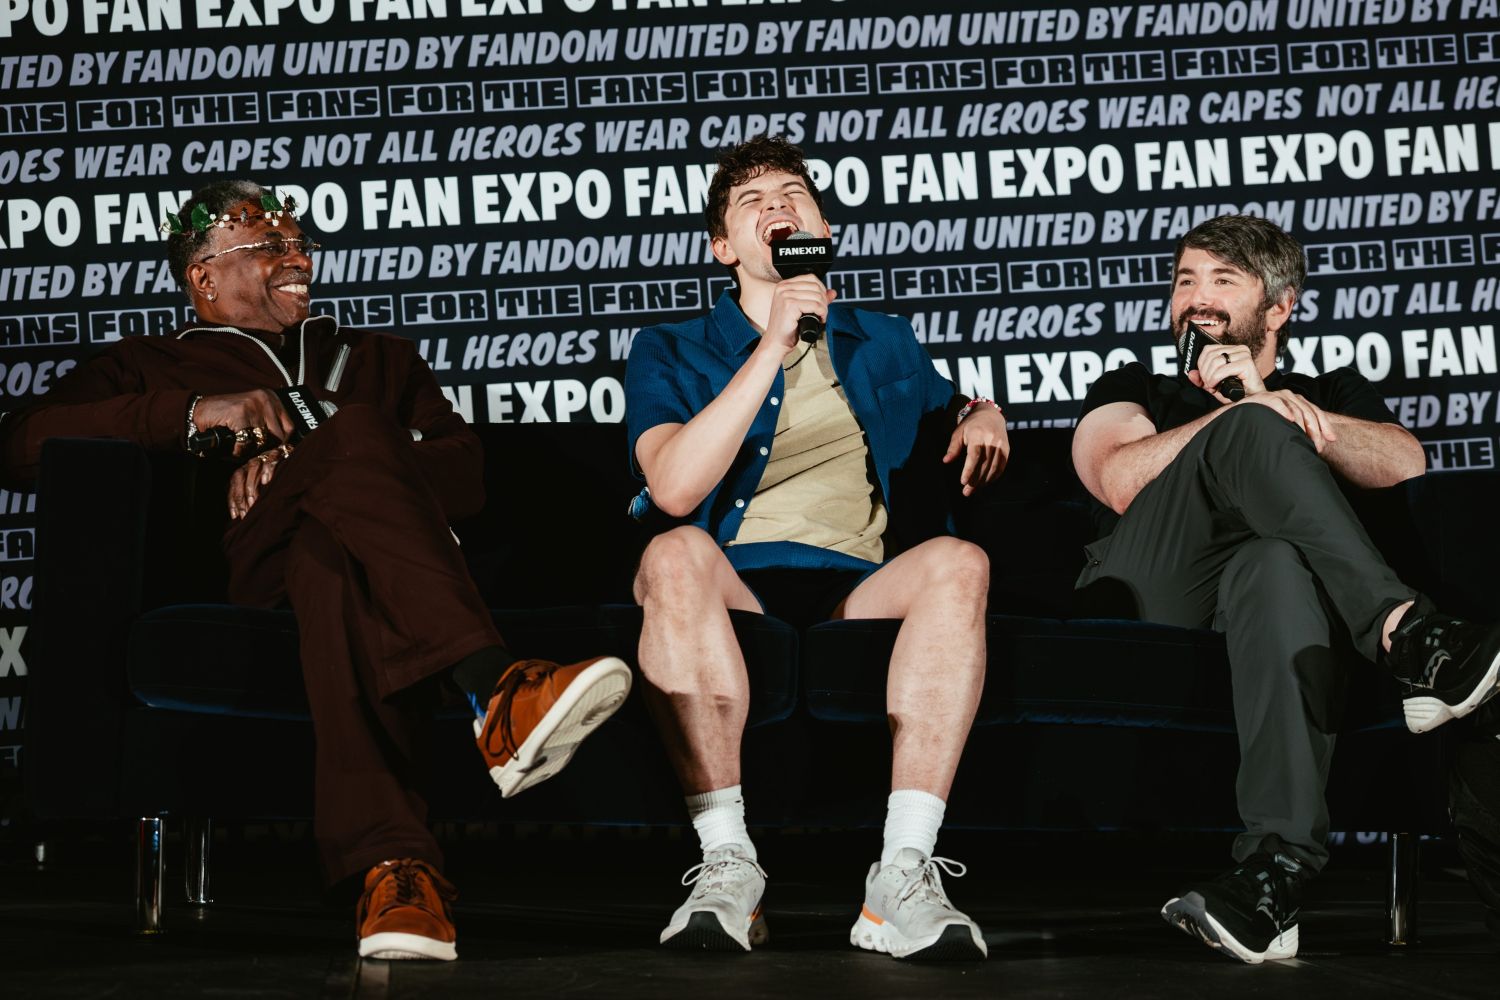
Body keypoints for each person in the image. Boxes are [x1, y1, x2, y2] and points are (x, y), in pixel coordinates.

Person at [0, 180, 632, 962]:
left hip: (352, 570)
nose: (298, 259)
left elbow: (466, 472)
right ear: (203, 277)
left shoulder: (380, 358)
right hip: (246, 570)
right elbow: (21, 442)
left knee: (332, 561)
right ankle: (493, 686)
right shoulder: (150, 364)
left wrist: (315, 457)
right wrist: (196, 414)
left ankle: (397, 875)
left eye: (301, 245)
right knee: (356, 433)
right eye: (270, 247)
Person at [1071, 213, 1500, 964]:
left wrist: (1270, 397)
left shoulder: (1323, 391)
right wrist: (1245, 415)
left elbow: (1406, 464)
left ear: (1278, 307)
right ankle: (1410, 634)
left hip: (1258, 601)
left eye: (1222, 280)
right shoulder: (1135, 386)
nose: (1195, 297)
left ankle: (1275, 875)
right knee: (1249, 433)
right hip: (1149, 583)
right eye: (1184, 279)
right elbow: (1114, 478)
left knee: (1273, 563)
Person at [624, 136, 1008, 961]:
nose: (778, 206)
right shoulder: (670, 347)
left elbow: (949, 410)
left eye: (793, 193)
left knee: (960, 562)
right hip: (738, 580)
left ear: (822, 227)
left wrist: (981, 410)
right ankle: (728, 863)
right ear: (724, 247)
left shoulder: (886, 340)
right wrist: (774, 345)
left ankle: (902, 872)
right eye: (752, 201)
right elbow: (675, 491)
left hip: (856, 586)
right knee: (669, 555)